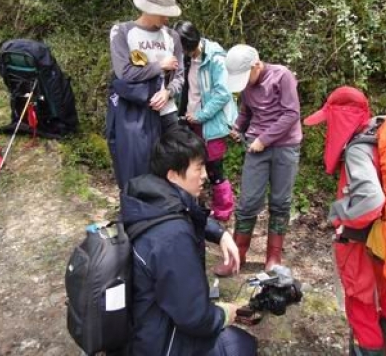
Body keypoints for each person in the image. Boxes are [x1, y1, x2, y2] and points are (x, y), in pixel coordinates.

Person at [121, 128, 258, 356]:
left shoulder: (148, 198)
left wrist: (220, 234)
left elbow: (192, 212)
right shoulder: (172, 236)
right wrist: (225, 313)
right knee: (242, 346)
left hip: (142, 324)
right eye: (198, 168)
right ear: (173, 175)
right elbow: (194, 318)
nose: (205, 174)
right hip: (161, 343)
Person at [303, 86, 386, 356]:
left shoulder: (357, 150)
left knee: (362, 306)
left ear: (340, 118)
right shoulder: (381, 135)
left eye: (330, 121)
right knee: (384, 299)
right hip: (385, 240)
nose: (328, 130)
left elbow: (372, 200)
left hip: (360, 243)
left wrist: (340, 215)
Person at [214, 44, 302, 276]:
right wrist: (237, 127)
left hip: (285, 146)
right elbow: (247, 111)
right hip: (256, 147)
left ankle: (273, 257)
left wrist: (264, 139)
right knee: (248, 201)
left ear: (256, 64)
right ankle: (237, 255)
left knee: (280, 202)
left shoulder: (282, 76)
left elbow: (291, 113)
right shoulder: (246, 86)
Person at [106, 0, 184, 191]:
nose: (167, 18)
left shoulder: (172, 37)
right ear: (148, 9)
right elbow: (125, 73)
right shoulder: (122, 32)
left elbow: (180, 76)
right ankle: (140, 209)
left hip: (167, 113)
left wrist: (168, 93)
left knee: (173, 167)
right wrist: (160, 66)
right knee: (139, 168)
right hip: (134, 114)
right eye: (162, 13)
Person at [172, 20, 238, 221]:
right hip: (189, 120)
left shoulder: (216, 59)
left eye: (184, 49)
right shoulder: (185, 59)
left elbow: (222, 94)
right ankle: (196, 206)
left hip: (212, 123)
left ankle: (223, 211)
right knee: (192, 164)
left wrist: (200, 116)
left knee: (214, 167)